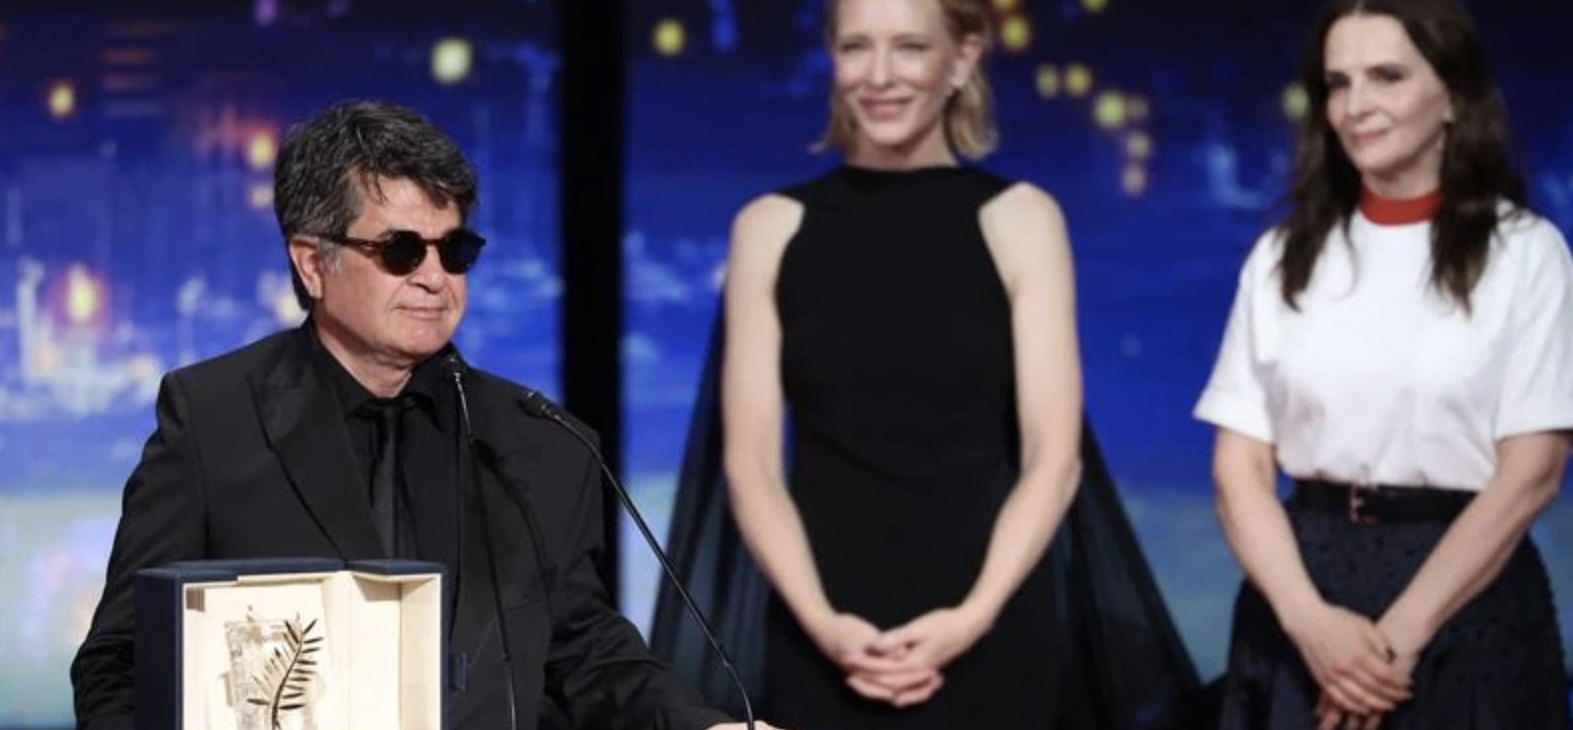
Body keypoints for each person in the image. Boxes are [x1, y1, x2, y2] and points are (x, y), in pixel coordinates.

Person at [70, 100, 776, 730]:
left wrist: (703, 727)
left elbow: (588, 655)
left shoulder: (541, 444)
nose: (435, 278)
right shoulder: (214, 420)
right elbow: (120, 664)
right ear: (312, 263)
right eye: (401, 250)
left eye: (454, 250)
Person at [648, 0, 1201, 727]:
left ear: (963, 57)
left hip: (993, 626)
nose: (879, 75)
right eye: (856, 47)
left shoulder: (1021, 220)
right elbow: (749, 464)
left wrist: (970, 618)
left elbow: (1053, 459)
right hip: (824, 632)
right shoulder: (769, 228)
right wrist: (825, 626)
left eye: (909, 47)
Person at [1195, 0, 1573, 727]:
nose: (1356, 105)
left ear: (1453, 96)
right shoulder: (1281, 256)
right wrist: (1310, 624)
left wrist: (1396, 640)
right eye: (1338, 83)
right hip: (1300, 600)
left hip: (1463, 600)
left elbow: (1530, 473)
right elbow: (1238, 468)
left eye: (1386, 77)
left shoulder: (1525, 255)